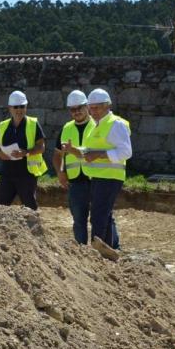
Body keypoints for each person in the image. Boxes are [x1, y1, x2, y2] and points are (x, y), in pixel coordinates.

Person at [63, 88, 131, 259]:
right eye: (91, 108)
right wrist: (74, 150)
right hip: (99, 177)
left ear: (107, 105)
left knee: (98, 216)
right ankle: (108, 252)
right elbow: (89, 151)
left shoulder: (115, 124)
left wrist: (100, 155)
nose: (93, 111)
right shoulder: (97, 125)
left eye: (97, 108)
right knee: (104, 215)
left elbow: (126, 152)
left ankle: (97, 253)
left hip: (110, 177)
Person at [0, 90, 47, 210]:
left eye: (22, 106)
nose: (19, 110)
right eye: (16, 107)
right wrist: (0, 154)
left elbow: (41, 147)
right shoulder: (3, 125)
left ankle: (34, 228)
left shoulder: (33, 123)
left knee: (30, 208)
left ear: (26, 107)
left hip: (27, 174)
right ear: (10, 108)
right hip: (7, 173)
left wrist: (26, 152)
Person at [53, 90, 95, 244]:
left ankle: (108, 249)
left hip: (97, 179)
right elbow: (57, 155)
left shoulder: (97, 125)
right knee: (79, 220)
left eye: (80, 107)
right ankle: (81, 251)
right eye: (73, 109)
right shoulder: (66, 128)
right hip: (75, 181)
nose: (76, 112)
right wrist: (60, 172)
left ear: (87, 107)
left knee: (102, 217)